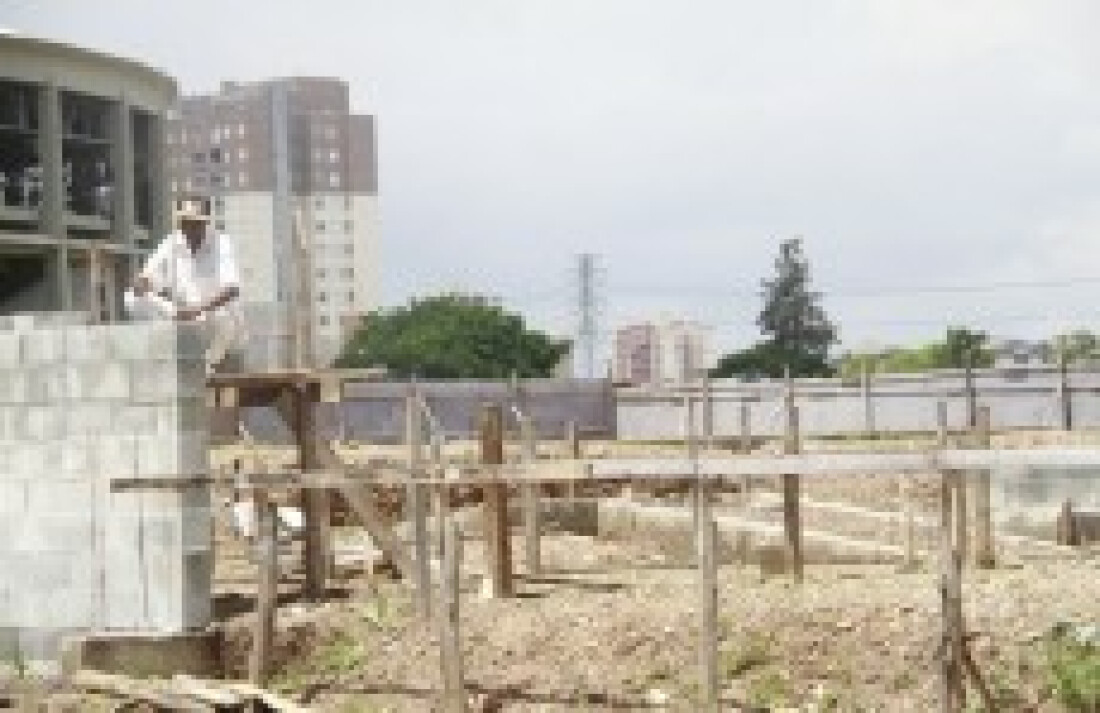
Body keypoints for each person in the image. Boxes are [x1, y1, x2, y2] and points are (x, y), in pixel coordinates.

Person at [125, 199, 244, 374]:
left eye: (196, 224)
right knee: (133, 299)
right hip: (181, 318)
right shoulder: (171, 244)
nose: (190, 229)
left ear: (205, 224)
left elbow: (233, 289)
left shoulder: (221, 243)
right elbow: (149, 276)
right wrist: (142, 282)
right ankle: (164, 351)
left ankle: (207, 363)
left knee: (224, 317)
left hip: (211, 318)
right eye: (186, 223)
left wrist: (197, 309)